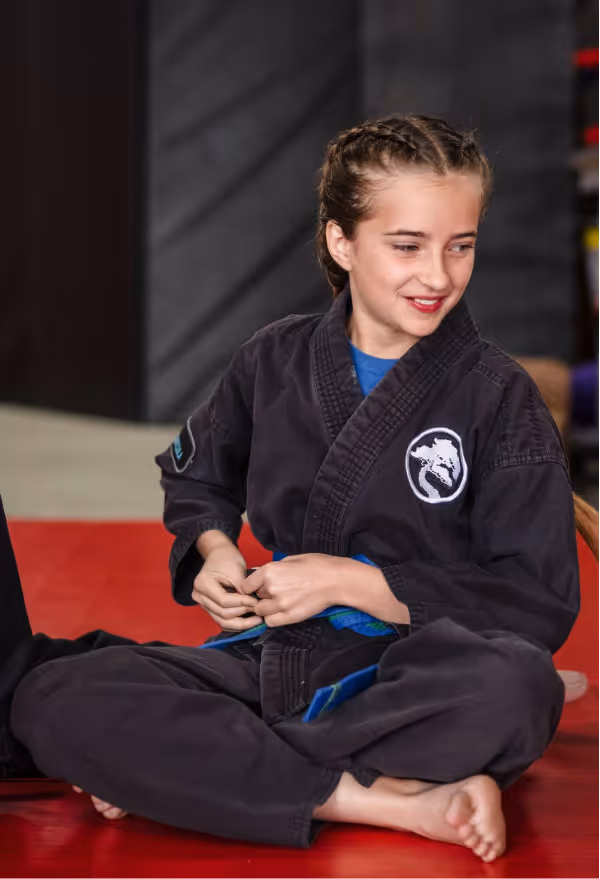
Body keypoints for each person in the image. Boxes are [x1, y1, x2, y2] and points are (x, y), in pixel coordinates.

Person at [0, 114, 593, 865]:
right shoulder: (274, 359)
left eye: (461, 245)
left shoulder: (496, 396)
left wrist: (356, 583)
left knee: (514, 688)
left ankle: (203, 765)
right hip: (270, 661)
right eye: (407, 245)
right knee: (50, 695)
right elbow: (196, 473)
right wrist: (214, 549)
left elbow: (536, 600)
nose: (438, 275)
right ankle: (380, 797)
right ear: (342, 242)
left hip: (415, 671)